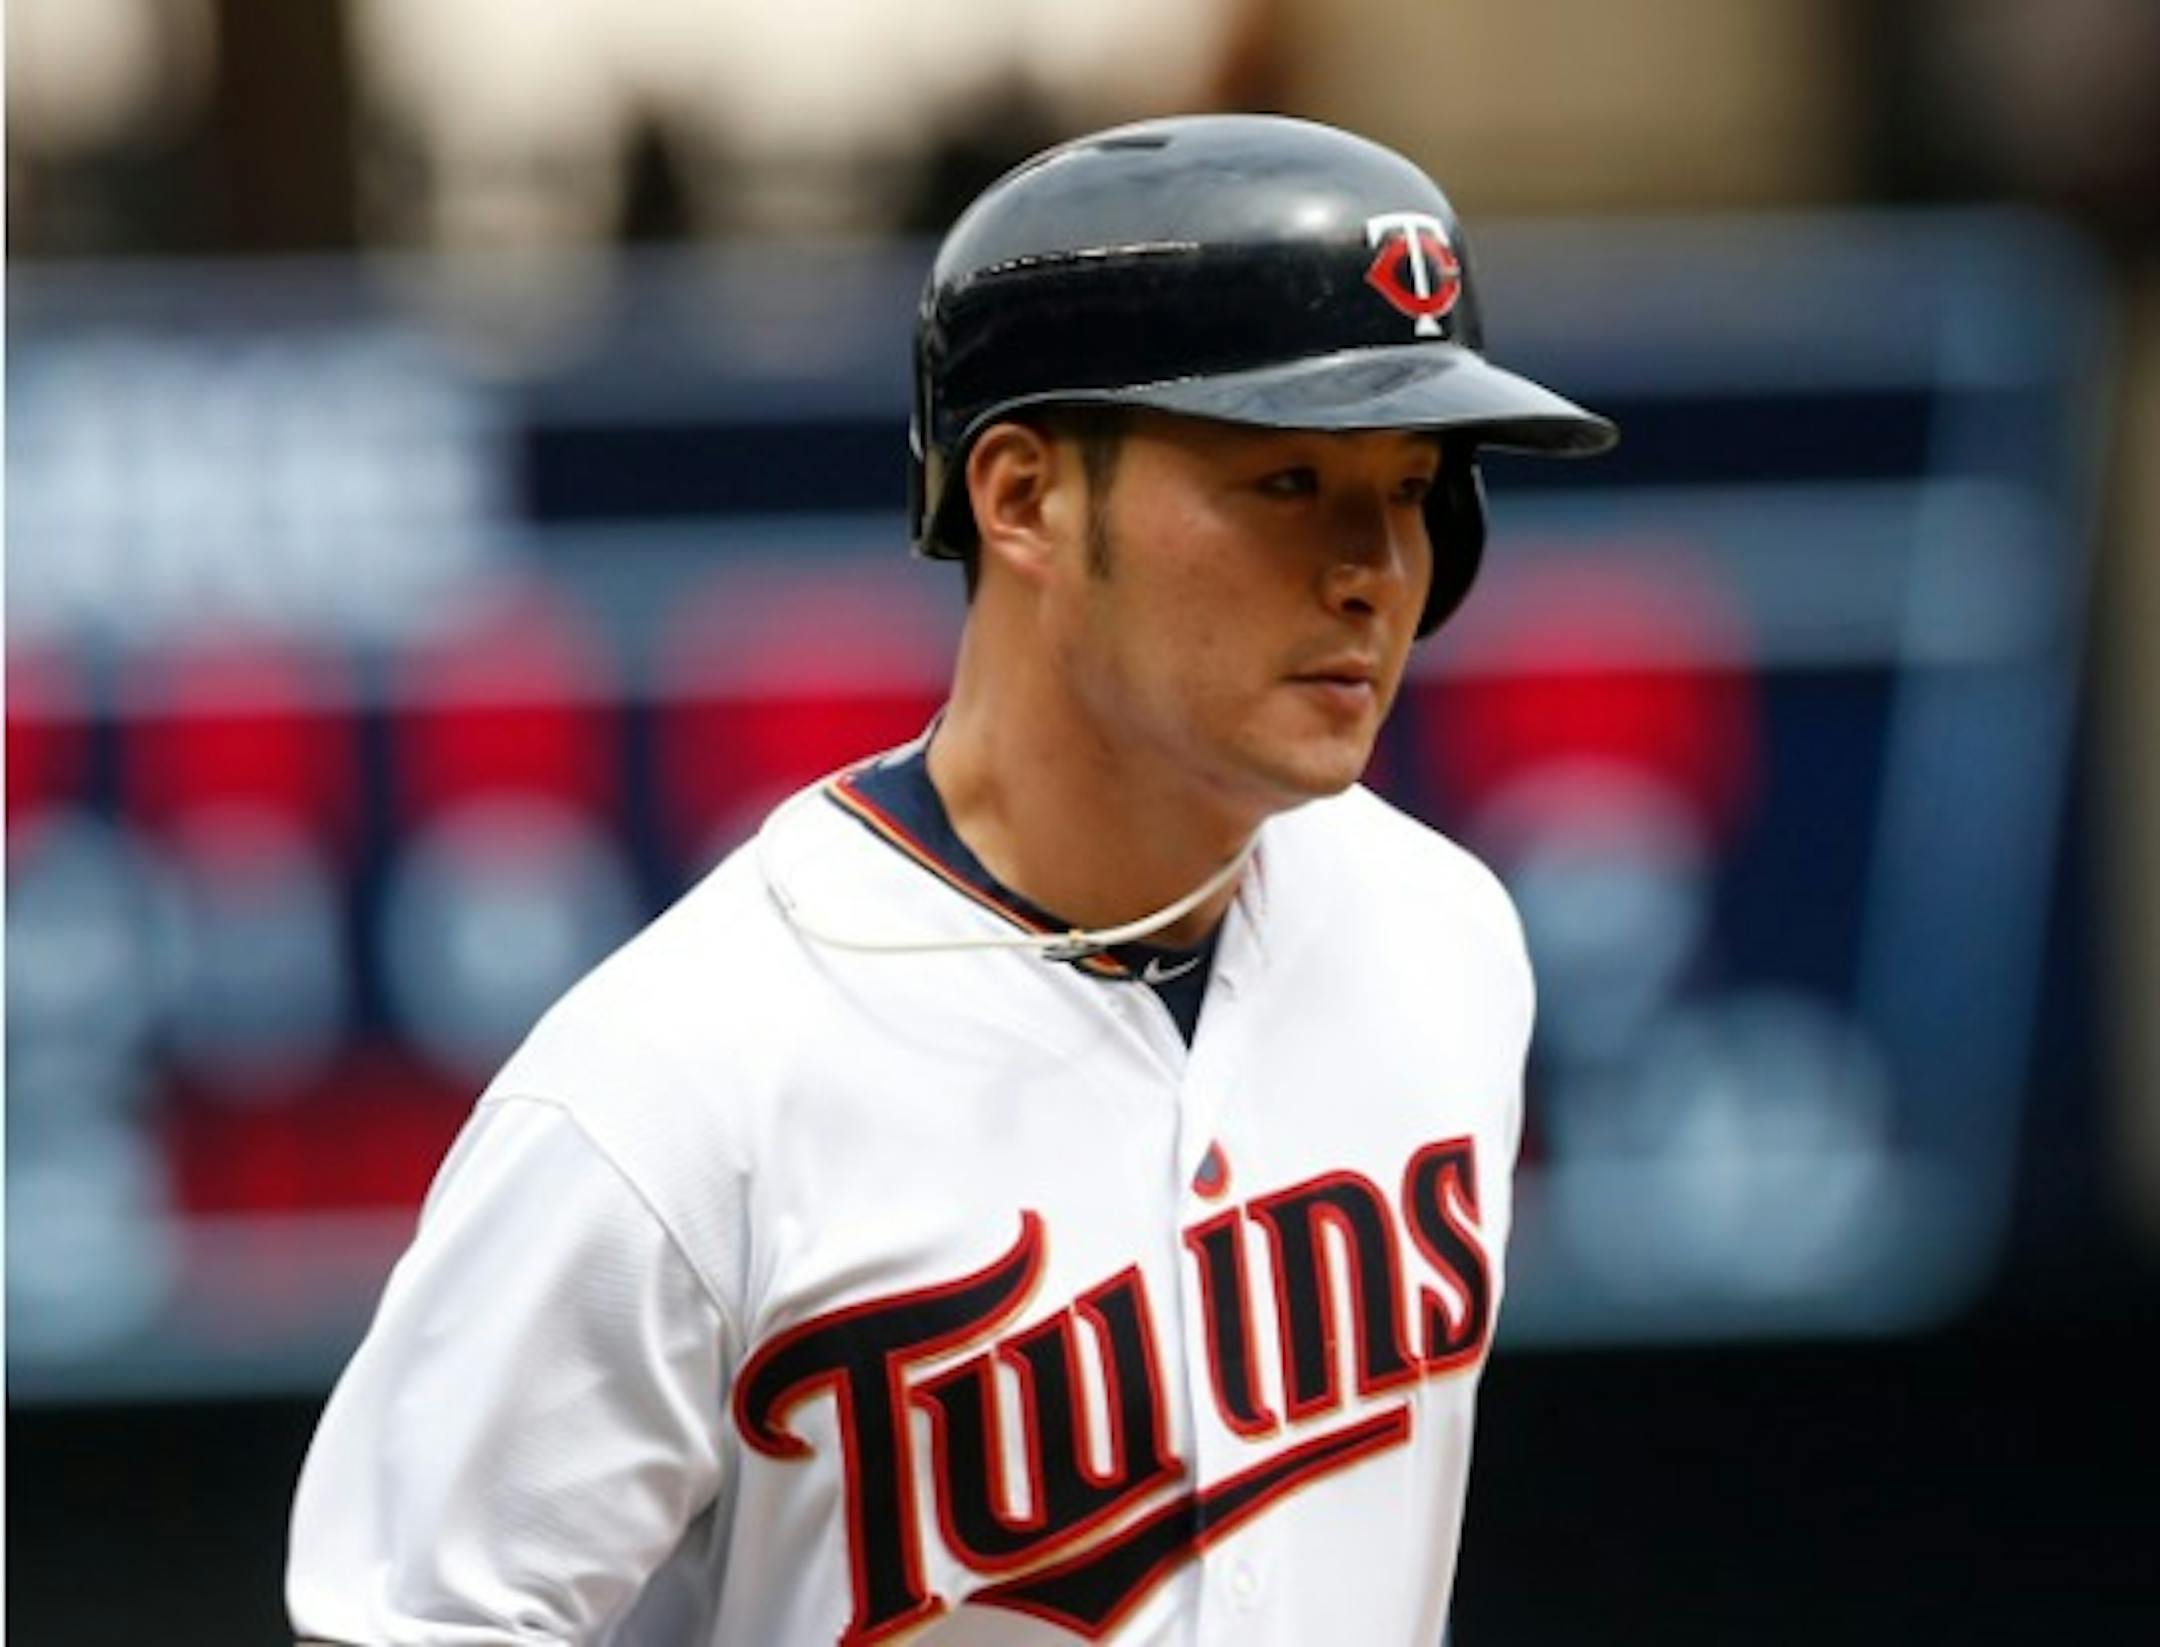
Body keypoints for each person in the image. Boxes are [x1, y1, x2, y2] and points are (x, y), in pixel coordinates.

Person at [288, 112, 1616, 1645]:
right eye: (1287, 477)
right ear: (1025, 496)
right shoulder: (678, 1082)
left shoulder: (1447, 940)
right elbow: (412, 1620)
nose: (1373, 565)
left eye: (1411, 483)